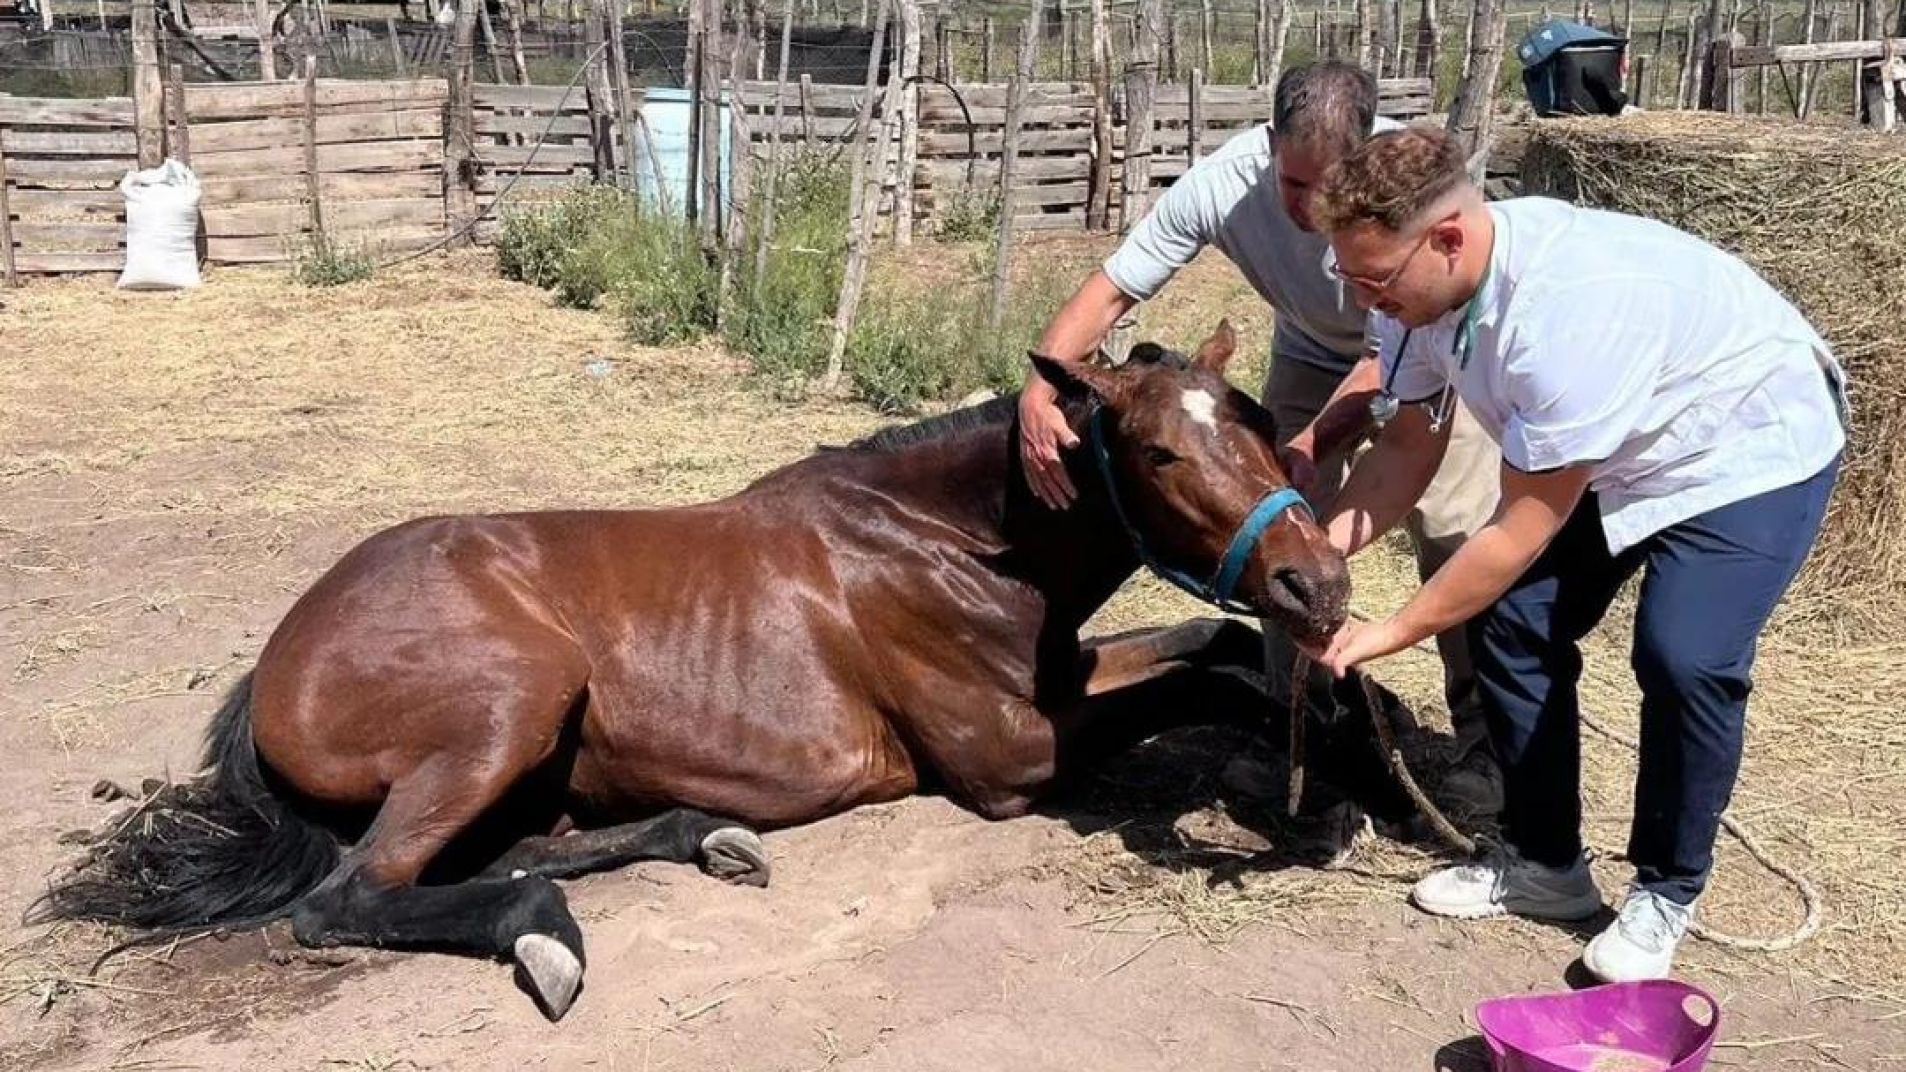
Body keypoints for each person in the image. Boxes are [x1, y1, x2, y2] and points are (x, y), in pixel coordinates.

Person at [1303, 126, 1846, 981]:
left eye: (1376, 279)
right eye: (1353, 278)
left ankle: (1667, 889)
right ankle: (1545, 863)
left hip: (1741, 444)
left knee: (1684, 654)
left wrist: (1386, 634)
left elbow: (1519, 531)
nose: (1368, 301)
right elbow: (1406, 451)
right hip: (1618, 442)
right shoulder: (1419, 302)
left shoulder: (1566, 309)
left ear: (1447, 238)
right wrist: (1322, 565)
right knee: (1514, 625)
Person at [1016, 61, 1504, 815]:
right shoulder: (1223, 183)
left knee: (1455, 525)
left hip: (1430, 344)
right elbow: (1114, 288)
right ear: (1268, 142)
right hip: (1311, 352)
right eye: (1294, 184)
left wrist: (1313, 445)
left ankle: (1485, 741)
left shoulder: (1403, 195)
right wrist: (1039, 389)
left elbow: (1389, 359)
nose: (1310, 207)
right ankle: (1295, 721)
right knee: (1270, 526)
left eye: (1328, 186)